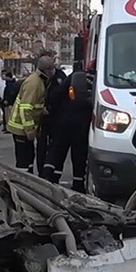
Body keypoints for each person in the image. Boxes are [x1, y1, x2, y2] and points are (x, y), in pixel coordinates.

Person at [44, 62, 95, 192]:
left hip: (63, 119)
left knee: (56, 150)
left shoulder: (75, 76)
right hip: (83, 122)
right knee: (79, 154)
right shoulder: (101, 79)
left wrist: (53, 111)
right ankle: (78, 184)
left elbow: (56, 94)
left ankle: (49, 179)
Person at [7, 55, 51, 174]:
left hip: (22, 127)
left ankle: (28, 180)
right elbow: (25, 108)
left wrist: (41, 110)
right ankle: (23, 184)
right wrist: (30, 130)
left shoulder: (38, 80)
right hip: (20, 128)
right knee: (24, 161)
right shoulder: (34, 83)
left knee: (29, 158)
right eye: (51, 69)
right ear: (46, 70)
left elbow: (33, 104)